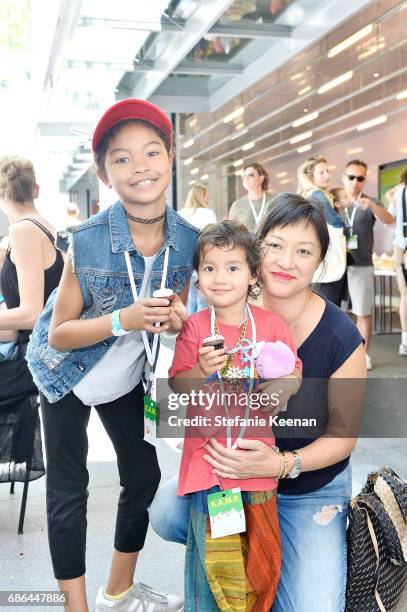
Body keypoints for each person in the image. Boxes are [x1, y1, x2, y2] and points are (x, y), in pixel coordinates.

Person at [149, 193, 366, 612]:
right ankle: (246, 553)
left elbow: (343, 438)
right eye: (275, 246)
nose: (286, 261)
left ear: (319, 262)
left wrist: (279, 464)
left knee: (311, 606)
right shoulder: (224, 307)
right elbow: (178, 388)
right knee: (165, 512)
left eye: (304, 251)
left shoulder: (340, 337)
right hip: (227, 476)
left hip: (308, 487)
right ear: (256, 250)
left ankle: (293, 553)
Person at [26, 99, 200, 612]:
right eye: (121, 159)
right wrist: (125, 318)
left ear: (170, 156)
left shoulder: (188, 241)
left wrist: (179, 319)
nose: (139, 166)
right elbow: (59, 335)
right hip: (64, 373)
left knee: (143, 474)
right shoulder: (89, 240)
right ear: (103, 173)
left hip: (126, 376)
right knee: (68, 491)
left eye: (151, 151)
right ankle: (75, 608)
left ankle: (118, 591)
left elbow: (184, 311)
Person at [169, 221, 301, 610]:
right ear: (197, 276)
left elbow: (293, 371)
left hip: (256, 467)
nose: (220, 278)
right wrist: (200, 369)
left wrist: (285, 385)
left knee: (258, 567)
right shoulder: (194, 328)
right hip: (208, 470)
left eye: (233, 267)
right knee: (209, 572)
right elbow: (178, 386)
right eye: (209, 268)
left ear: (253, 274)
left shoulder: (271, 325)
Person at [342, 159, 394, 370]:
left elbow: (389, 219)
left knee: (363, 312)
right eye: (351, 177)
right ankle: (340, 355)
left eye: (360, 178)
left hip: (362, 264)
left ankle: (362, 355)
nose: (355, 182)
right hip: (337, 268)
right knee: (336, 313)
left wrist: (372, 206)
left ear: (364, 180)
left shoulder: (370, 201)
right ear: (343, 178)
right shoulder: (335, 202)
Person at [297, 155, 347, 307]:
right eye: (322, 172)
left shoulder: (305, 195)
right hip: (328, 264)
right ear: (311, 176)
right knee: (329, 310)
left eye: (327, 171)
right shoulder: (317, 195)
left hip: (317, 262)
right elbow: (336, 223)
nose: (327, 176)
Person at [178, 183, 217, 313]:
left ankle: (189, 328)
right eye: (206, 196)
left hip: (183, 260)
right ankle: (200, 330)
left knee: (189, 299)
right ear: (202, 196)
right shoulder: (208, 213)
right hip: (202, 258)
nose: (208, 199)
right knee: (202, 298)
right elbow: (214, 237)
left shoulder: (180, 214)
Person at [387, 167, 407, 356]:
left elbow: (390, 218)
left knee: (405, 295)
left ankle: (405, 341)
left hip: (400, 246)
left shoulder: (400, 192)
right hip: (402, 247)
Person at [229, 162, 273, 232]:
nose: (246, 178)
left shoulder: (274, 201)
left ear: (261, 178)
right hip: (246, 242)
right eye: (244, 176)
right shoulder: (237, 205)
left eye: (250, 175)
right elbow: (231, 232)